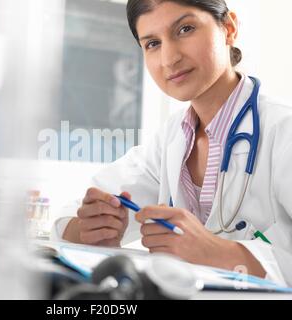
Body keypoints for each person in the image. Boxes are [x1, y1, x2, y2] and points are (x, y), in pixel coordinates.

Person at [51, 0, 292, 286]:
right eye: (152, 43)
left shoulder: (282, 132)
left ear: (228, 28)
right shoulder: (171, 140)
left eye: (185, 29)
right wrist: (92, 228)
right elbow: (69, 218)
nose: (169, 59)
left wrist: (221, 253)